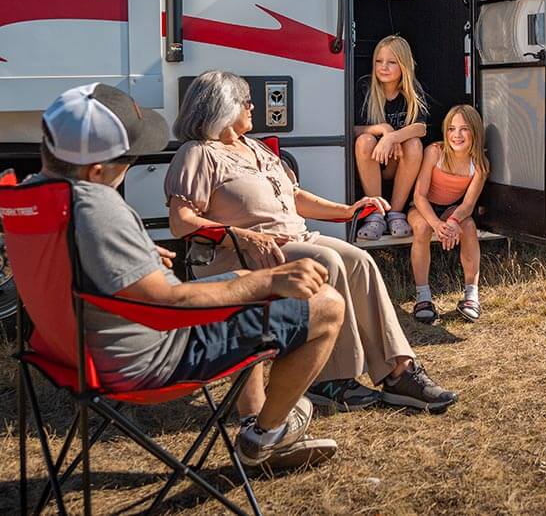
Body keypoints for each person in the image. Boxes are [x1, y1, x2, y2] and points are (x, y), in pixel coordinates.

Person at [34, 83, 345, 470]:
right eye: (129, 157)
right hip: (148, 357)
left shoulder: (34, 196)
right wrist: (270, 281)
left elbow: (71, 261)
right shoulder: (97, 208)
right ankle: (264, 436)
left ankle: (258, 415)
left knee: (236, 280)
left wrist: (139, 257)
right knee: (326, 305)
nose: (131, 164)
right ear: (97, 169)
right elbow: (171, 300)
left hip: (69, 350)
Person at [165, 70, 458, 414]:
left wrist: (348, 210)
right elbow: (181, 221)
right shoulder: (199, 153)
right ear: (222, 107)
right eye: (245, 100)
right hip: (243, 256)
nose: (252, 105)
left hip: (294, 239)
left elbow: (296, 196)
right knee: (327, 262)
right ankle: (331, 379)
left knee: (360, 261)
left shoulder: (255, 147)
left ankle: (399, 372)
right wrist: (243, 237)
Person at [407, 105, 489, 323]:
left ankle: (471, 294)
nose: (456, 135)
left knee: (468, 227)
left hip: (453, 209)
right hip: (424, 208)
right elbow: (419, 196)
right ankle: (423, 296)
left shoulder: (479, 165)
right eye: (451, 129)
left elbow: (468, 204)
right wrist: (435, 223)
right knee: (422, 229)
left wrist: (453, 222)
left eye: (464, 129)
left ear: (475, 132)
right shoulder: (435, 151)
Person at [353, 35, 428, 240]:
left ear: (404, 65)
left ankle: (395, 213)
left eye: (391, 62)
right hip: (372, 163)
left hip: (398, 164)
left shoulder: (411, 91)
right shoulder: (364, 88)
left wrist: (393, 138)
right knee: (364, 141)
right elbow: (351, 130)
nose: (383, 67)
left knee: (413, 143)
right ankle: (375, 214)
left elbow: (421, 128)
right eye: (379, 61)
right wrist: (383, 130)